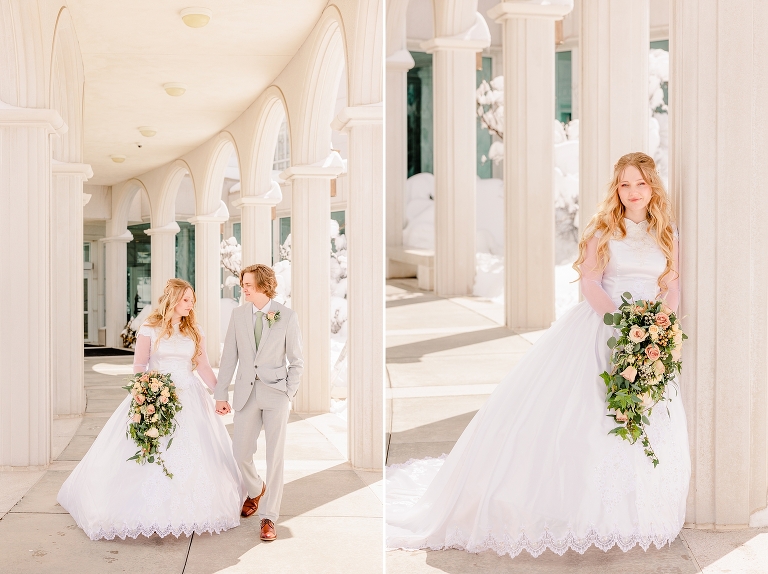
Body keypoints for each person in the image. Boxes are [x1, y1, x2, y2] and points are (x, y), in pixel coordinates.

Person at [386, 152, 691, 557]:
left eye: (640, 183)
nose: (632, 192)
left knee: (641, 413)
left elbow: (672, 286)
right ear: (616, 190)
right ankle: (574, 510)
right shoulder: (604, 230)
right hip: (604, 330)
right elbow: (592, 283)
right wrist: (620, 325)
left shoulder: (666, 232)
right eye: (624, 184)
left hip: (649, 338)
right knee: (587, 416)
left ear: (653, 186)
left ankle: (633, 513)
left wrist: (659, 327)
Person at [58, 279, 244, 540]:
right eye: (186, 299)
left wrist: (219, 396)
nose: (191, 305)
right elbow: (139, 366)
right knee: (148, 448)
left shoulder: (194, 330)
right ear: (173, 299)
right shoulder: (150, 329)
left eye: (192, 300)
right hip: (156, 395)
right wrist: (144, 394)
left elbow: (202, 366)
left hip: (190, 396)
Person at [215, 263, 304, 542]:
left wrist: (288, 392)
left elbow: (297, 361)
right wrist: (221, 393)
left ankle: (269, 517)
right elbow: (229, 356)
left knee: (275, 456)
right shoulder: (238, 315)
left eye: (248, 285)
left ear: (264, 286)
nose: (243, 289)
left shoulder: (287, 316)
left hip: (276, 393)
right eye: (242, 284)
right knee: (240, 452)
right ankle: (256, 489)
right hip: (245, 393)